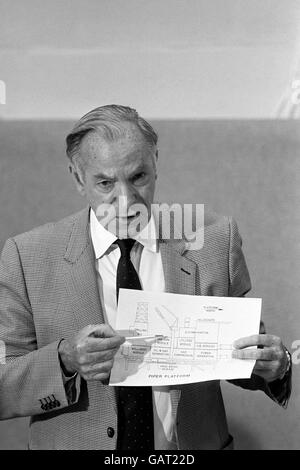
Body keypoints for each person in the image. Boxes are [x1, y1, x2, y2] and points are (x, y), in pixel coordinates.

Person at [0, 105, 291, 450]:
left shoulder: (214, 240)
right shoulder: (26, 256)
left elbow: (239, 355)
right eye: (105, 183)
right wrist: (65, 360)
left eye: (138, 177)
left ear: (155, 161)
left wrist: (273, 366)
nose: (125, 201)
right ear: (78, 178)